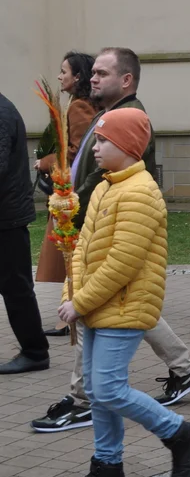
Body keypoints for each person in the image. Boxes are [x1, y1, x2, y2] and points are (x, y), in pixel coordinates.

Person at [33, 48, 190, 433]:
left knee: (108, 315)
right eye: (91, 73)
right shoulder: (107, 116)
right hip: (93, 221)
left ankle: (95, 402)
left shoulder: (130, 122)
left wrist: (73, 207)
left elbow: (104, 180)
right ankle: (185, 369)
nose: (91, 79)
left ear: (125, 80)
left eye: (101, 73)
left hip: (104, 225)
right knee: (124, 307)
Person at [53, 108, 190, 477]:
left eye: (103, 141)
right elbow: (85, 248)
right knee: (97, 390)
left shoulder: (140, 192)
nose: (97, 147)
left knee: (107, 389)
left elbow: (122, 262)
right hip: (99, 306)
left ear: (126, 145)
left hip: (124, 307)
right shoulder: (108, 186)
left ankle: (180, 433)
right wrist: (71, 296)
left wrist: (81, 301)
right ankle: (107, 470)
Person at [36, 52, 100, 337]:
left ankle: (70, 315)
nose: (60, 76)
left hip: (74, 193)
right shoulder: (79, 104)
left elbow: (77, 150)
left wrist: (47, 161)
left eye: (64, 71)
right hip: (74, 191)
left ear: (77, 77)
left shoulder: (79, 107)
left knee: (71, 252)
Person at [0, 91, 50, 374]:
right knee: (15, 286)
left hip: (6, 218)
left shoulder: (1, 112)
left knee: (16, 288)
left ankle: (34, 351)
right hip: (7, 214)